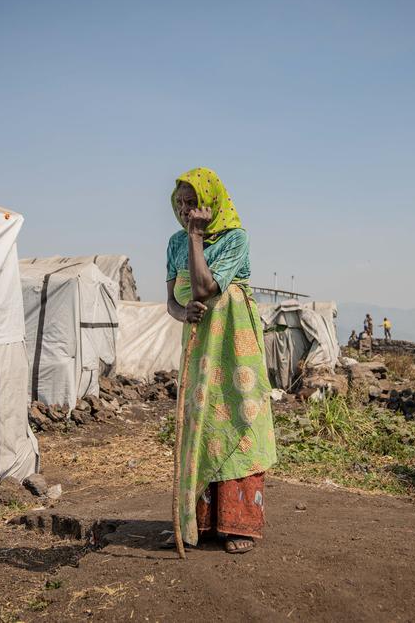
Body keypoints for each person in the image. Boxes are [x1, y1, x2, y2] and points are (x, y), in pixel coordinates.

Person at [165, 167, 277, 555]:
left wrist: (197, 237)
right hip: (199, 348)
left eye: (192, 203)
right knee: (203, 423)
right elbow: (174, 302)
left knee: (240, 420)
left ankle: (239, 523)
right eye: (180, 203)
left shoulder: (236, 238)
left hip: (234, 346)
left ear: (211, 203)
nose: (185, 211)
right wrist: (184, 314)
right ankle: (200, 522)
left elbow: (205, 287)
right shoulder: (174, 244)